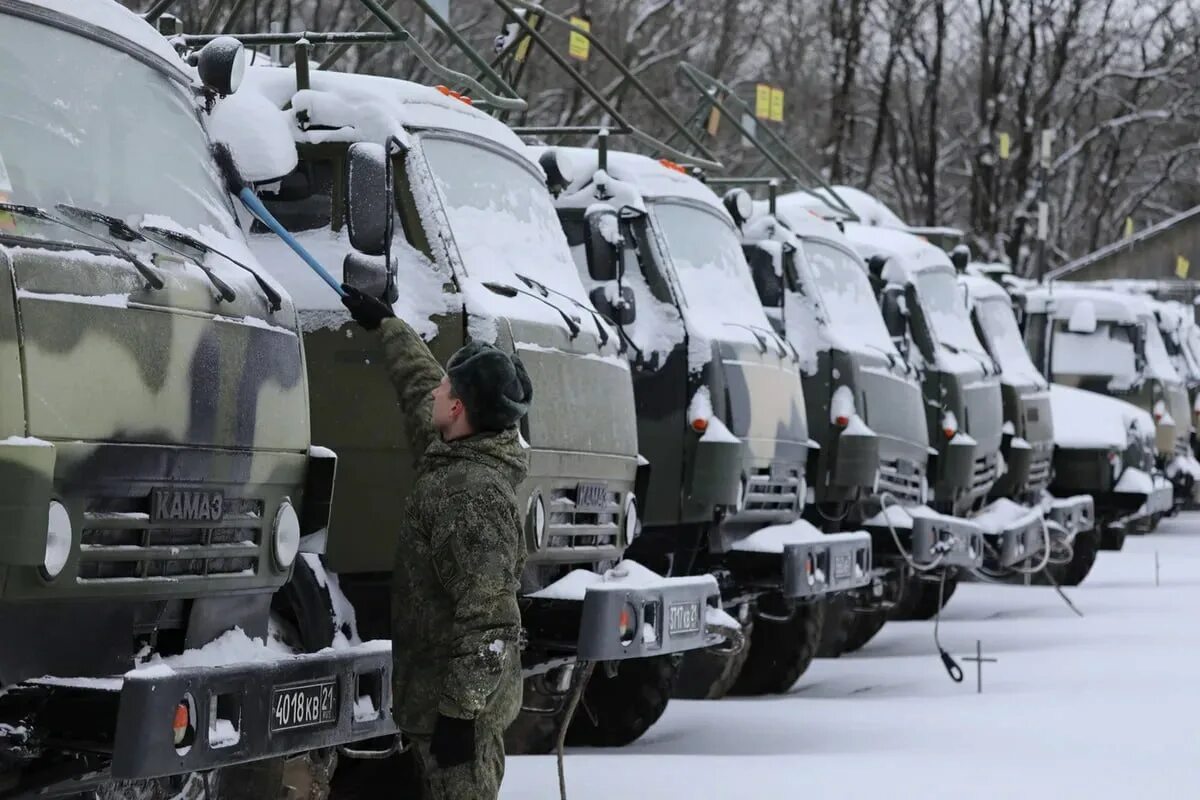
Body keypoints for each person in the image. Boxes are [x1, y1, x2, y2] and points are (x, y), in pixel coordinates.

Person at [341, 284, 532, 800]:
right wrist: (387, 324)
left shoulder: (472, 498)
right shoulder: (453, 450)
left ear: (462, 409)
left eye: (448, 389)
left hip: (457, 727)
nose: (435, 392)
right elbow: (417, 381)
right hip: (434, 712)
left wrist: (458, 716)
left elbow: (491, 624)